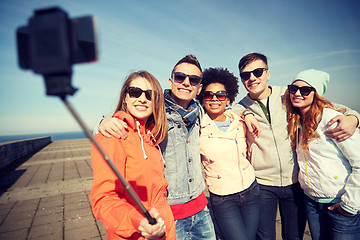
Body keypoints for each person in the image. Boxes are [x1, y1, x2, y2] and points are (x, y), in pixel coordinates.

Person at [231, 52, 360, 240]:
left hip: (294, 182)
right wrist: (246, 113)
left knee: (294, 236)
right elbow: (230, 109)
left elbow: (329, 105)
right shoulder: (242, 105)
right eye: (245, 75)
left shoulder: (289, 93)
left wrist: (354, 117)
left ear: (268, 73)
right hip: (263, 182)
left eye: (257, 72)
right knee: (265, 237)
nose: (252, 78)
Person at [98, 55, 217, 239]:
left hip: (201, 209)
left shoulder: (200, 110)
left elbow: (225, 111)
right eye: (180, 77)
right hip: (170, 213)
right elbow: (131, 121)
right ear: (171, 80)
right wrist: (103, 122)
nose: (186, 82)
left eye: (193, 79)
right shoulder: (156, 114)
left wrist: (246, 113)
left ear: (199, 87)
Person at [90, 71, 176, 240]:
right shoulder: (112, 136)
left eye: (149, 95)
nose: (142, 99)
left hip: (164, 231)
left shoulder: (151, 137)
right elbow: (104, 199)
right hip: (136, 234)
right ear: (125, 98)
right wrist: (139, 220)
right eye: (135, 92)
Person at [284, 69, 360, 240]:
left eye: (305, 90)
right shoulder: (297, 120)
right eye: (293, 88)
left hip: (340, 201)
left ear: (315, 93)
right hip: (311, 201)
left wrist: (350, 204)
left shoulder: (332, 119)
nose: (297, 93)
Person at [197, 67, 260, 240]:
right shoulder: (197, 127)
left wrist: (246, 113)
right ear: (202, 98)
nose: (215, 98)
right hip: (223, 199)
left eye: (221, 94)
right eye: (209, 94)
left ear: (228, 98)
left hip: (251, 191)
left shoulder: (240, 122)